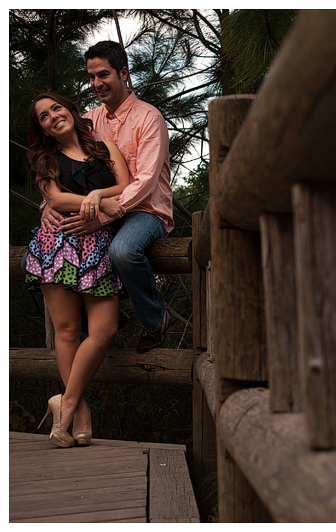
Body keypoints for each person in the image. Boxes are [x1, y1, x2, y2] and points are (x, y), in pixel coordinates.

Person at [40, 40, 174, 354]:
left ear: (123, 73)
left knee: (124, 251)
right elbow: (64, 164)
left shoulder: (149, 118)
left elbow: (145, 181)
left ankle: (156, 320)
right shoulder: (89, 121)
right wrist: (48, 204)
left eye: (104, 74)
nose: (97, 83)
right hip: (98, 209)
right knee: (42, 256)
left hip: (145, 210)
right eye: (91, 77)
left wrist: (100, 217)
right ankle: (105, 320)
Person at [25, 93, 130, 448]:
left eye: (56, 108)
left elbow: (125, 186)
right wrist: (100, 200)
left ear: (71, 110)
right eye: (43, 116)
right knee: (67, 331)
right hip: (58, 244)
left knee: (104, 329)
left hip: (98, 244)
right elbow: (54, 199)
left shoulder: (105, 148)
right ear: (42, 129)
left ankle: (64, 401)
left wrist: (97, 192)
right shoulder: (44, 159)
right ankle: (79, 414)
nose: (53, 116)